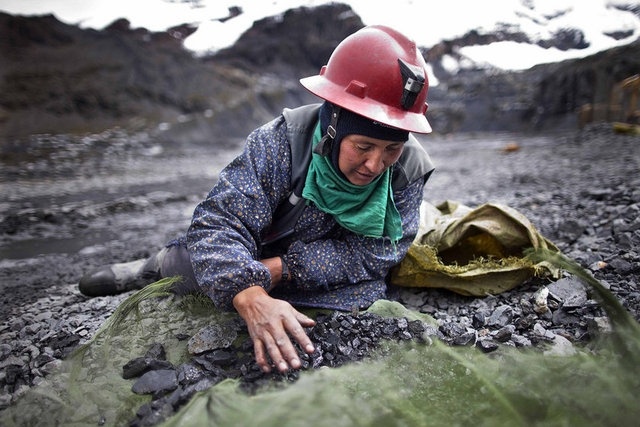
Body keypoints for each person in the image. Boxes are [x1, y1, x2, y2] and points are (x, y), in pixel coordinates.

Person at [78, 25, 435, 374]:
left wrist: (282, 269)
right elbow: (220, 223)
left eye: (391, 148)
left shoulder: (409, 168)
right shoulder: (279, 143)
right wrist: (249, 291)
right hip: (254, 253)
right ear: (333, 125)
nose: (375, 165)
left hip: (320, 272)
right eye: (363, 146)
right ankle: (156, 265)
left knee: (366, 295)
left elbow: (379, 252)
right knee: (197, 265)